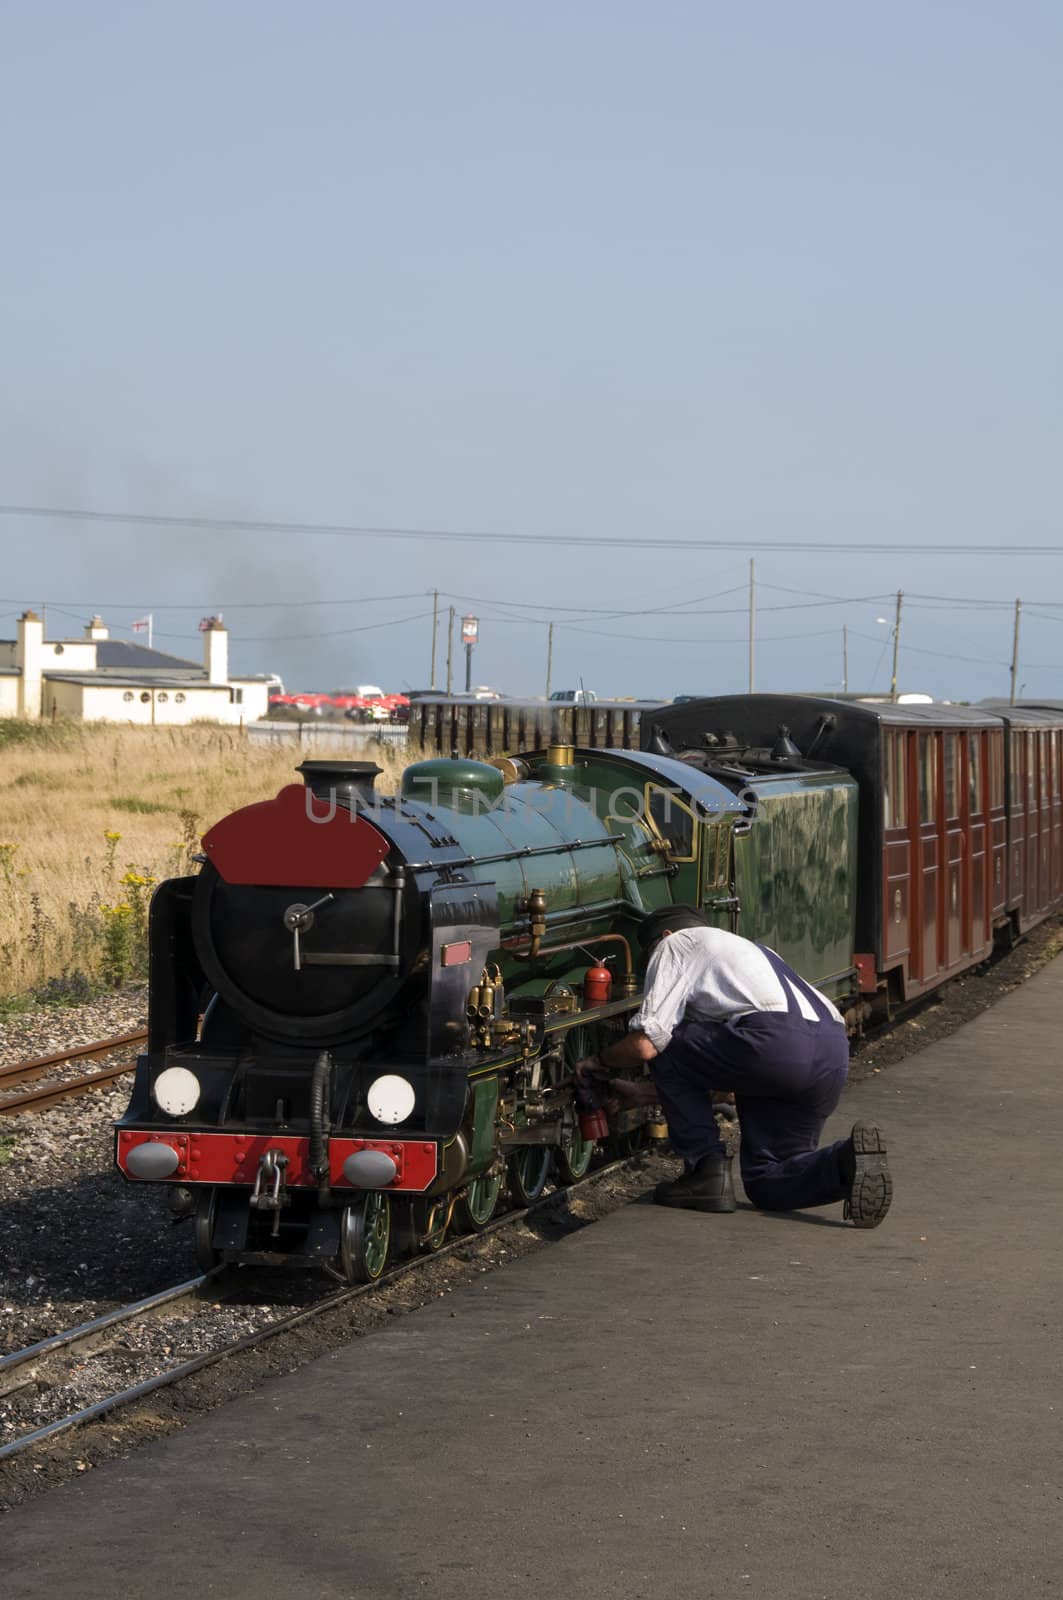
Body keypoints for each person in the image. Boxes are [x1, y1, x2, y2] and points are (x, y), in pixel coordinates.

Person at [581, 907, 892, 1227]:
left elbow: (647, 1044)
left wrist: (597, 1061)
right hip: (831, 1049)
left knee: (665, 1041)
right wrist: (645, 1093)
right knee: (767, 1181)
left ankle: (706, 1170)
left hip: (772, 1041)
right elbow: (724, 1073)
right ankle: (847, 1162)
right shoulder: (749, 951)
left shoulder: (676, 944)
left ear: (663, 937)